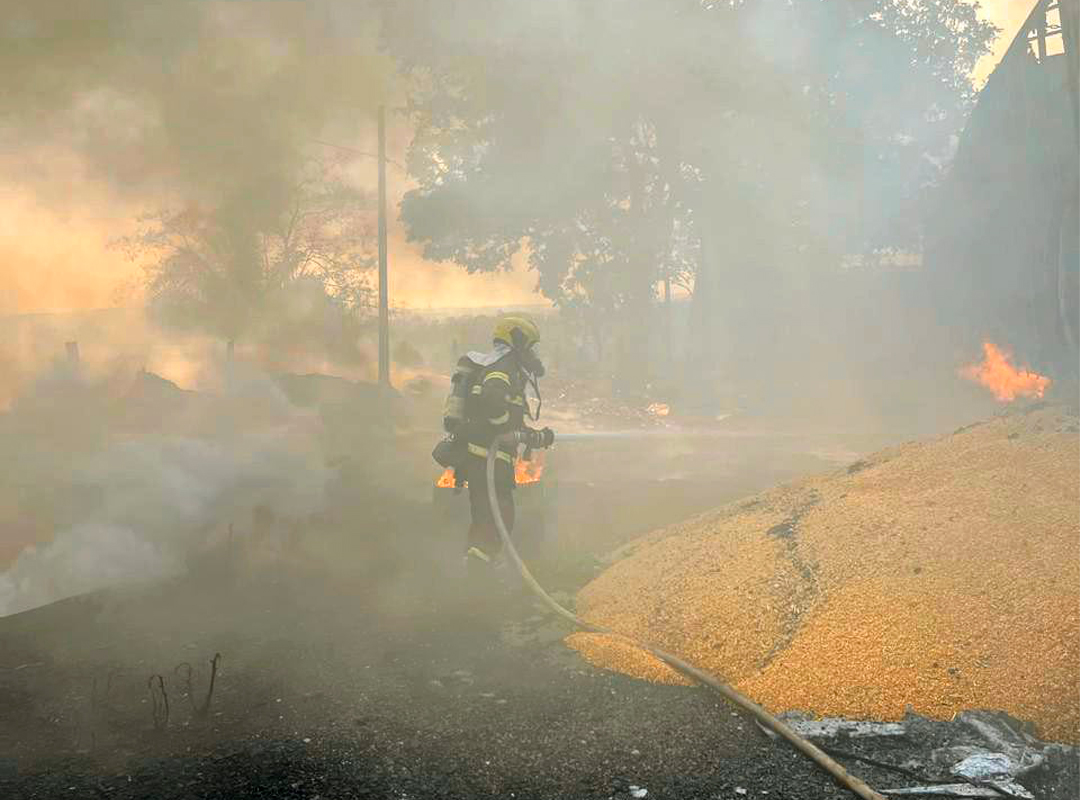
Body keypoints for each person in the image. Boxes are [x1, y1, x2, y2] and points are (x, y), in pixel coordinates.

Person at [442, 315, 554, 575]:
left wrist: (534, 437)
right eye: (531, 347)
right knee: (499, 518)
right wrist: (506, 431)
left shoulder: (502, 366)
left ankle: (475, 571)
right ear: (517, 342)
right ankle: (480, 577)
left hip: (481, 459)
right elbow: (493, 403)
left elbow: (508, 417)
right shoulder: (503, 367)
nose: (533, 354)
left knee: (485, 518)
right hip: (488, 461)